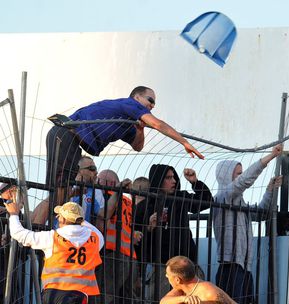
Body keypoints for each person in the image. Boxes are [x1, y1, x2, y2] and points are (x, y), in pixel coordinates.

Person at [46, 86, 204, 208]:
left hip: (70, 139)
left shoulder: (128, 122)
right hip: (65, 134)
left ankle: (45, 223)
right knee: (61, 188)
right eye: (150, 100)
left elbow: (137, 147)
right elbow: (157, 124)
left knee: (63, 189)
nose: (152, 105)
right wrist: (184, 142)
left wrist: (140, 129)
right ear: (137, 97)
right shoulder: (130, 104)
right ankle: (43, 228)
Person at [213, 144, 283, 304]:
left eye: (241, 174)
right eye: (238, 174)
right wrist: (269, 157)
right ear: (226, 176)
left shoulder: (240, 203)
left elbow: (261, 213)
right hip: (230, 265)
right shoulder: (222, 197)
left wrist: (270, 190)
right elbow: (244, 182)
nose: (241, 177)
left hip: (244, 265)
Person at [134, 165, 213, 300]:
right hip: (162, 269)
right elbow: (137, 240)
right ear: (158, 180)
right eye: (168, 178)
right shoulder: (144, 206)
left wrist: (195, 182)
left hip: (187, 266)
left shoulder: (181, 198)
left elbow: (206, 201)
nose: (174, 181)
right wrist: (148, 228)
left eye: (174, 177)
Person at [6, 201, 104, 304]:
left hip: (56, 294)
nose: (57, 217)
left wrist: (13, 214)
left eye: (59, 215)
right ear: (80, 220)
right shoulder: (96, 238)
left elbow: (19, 234)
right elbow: (96, 231)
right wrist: (80, 220)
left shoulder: (52, 237)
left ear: (64, 219)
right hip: (86, 295)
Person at [95, 170, 142, 304]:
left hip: (112, 254)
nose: (97, 183)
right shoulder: (128, 201)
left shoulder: (108, 196)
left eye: (100, 180)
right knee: (128, 298)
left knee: (105, 295)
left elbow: (102, 216)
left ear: (109, 183)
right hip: (130, 257)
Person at [32, 156, 105, 226]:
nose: (96, 172)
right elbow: (49, 207)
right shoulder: (65, 185)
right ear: (79, 170)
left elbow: (102, 214)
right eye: (92, 168)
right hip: (58, 233)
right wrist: (71, 193)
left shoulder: (96, 191)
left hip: (81, 234)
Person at [161, 256, 236, 304]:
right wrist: (183, 299)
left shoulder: (209, 292)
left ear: (177, 280)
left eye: (168, 275)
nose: (166, 276)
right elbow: (163, 302)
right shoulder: (181, 288)